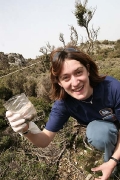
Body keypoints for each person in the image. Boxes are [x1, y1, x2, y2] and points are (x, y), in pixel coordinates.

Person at [6, 46, 120, 180]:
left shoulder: (112, 87)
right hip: (108, 131)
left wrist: (112, 161)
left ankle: (112, 161)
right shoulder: (64, 103)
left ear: (87, 70)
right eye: (65, 77)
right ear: (59, 82)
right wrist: (25, 130)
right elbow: (44, 140)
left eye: (78, 72)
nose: (75, 83)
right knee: (99, 133)